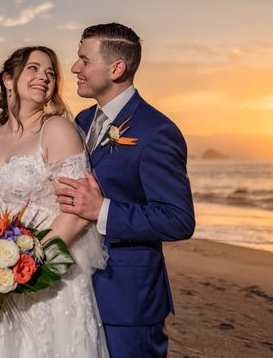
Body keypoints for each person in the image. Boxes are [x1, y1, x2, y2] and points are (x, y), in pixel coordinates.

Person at [54, 23, 195, 357]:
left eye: (83, 60)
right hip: (75, 288)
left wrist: (102, 210)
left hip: (126, 302)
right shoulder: (82, 122)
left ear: (116, 68)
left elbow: (178, 219)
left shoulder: (157, 131)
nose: (74, 68)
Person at [0, 46, 109, 357]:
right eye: (33, 68)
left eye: (50, 73)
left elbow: (76, 211)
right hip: (1, 276)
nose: (43, 77)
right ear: (9, 79)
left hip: (51, 279)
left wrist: (30, 265)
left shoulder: (56, 129)